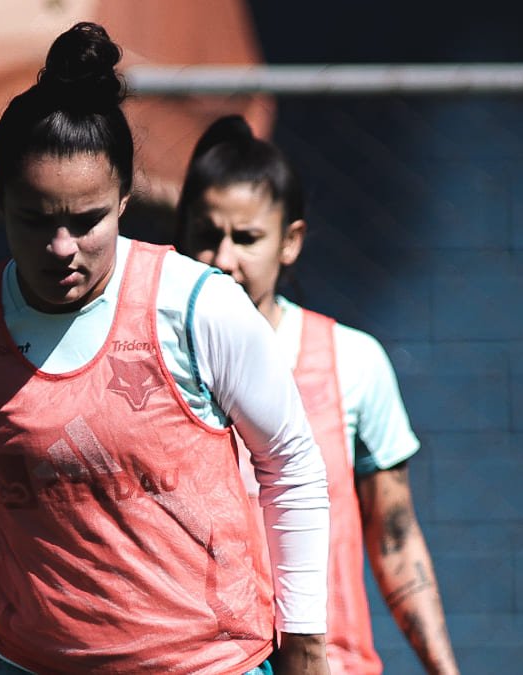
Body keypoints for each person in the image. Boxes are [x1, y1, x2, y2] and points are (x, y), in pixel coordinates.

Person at [0, 23, 333, 675]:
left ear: (124, 197)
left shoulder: (197, 305)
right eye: (37, 219)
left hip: (211, 663)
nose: (62, 246)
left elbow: (291, 464)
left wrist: (306, 643)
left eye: (87, 219)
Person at [175, 116, 460, 675]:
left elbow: (395, 538)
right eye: (207, 237)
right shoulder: (151, 371)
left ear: (291, 241)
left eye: (247, 238)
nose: (224, 258)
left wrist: (445, 670)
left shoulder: (352, 362)